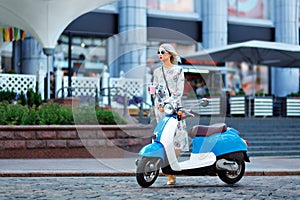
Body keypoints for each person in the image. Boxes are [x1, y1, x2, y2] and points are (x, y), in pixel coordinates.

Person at [152, 43, 189, 185]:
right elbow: (155, 90)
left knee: (178, 138)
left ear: (169, 54)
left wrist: (168, 102)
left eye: (162, 52)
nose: (160, 54)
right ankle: (169, 173)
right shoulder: (156, 72)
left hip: (174, 107)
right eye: (158, 52)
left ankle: (171, 167)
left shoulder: (179, 70)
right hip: (161, 108)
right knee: (164, 137)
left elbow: (179, 91)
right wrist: (157, 102)